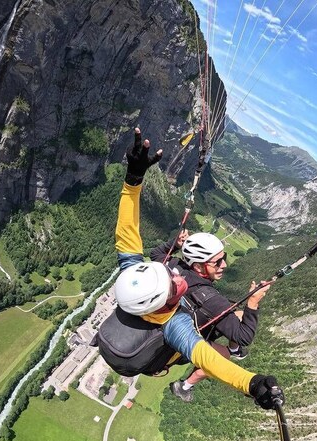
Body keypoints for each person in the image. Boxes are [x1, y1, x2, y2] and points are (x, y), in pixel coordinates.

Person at [94, 128, 283, 411]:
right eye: (173, 288)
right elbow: (208, 359)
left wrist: (133, 181)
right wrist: (252, 384)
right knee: (225, 347)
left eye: (168, 275)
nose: (177, 280)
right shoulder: (174, 324)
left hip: (128, 335)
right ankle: (190, 382)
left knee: (232, 320)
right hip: (157, 357)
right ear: (163, 303)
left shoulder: (135, 274)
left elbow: (126, 232)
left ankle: (216, 359)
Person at [150, 232, 270, 402]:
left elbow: (156, 255)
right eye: (217, 262)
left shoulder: (176, 267)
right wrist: (253, 302)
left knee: (239, 314)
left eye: (224, 258)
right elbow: (244, 336)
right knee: (223, 356)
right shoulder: (210, 299)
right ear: (198, 267)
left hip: (181, 322)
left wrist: (175, 244)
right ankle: (184, 386)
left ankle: (234, 350)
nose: (224, 265)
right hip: (180, 344)